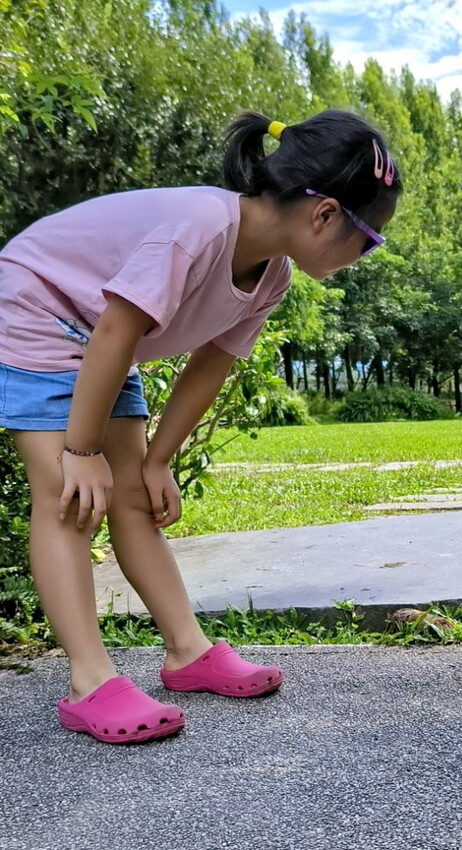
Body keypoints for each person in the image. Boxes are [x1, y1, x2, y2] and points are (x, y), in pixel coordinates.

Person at [0, 109, 402, 744]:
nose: (363, 254)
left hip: (107, 338)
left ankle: (186, 652)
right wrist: (78, 449)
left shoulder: (270, 275)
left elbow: (209, 367)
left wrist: (158, 459)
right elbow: (115, 329)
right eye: (367, 237)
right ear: (324, 214)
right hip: (40, 306)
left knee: (131, 494)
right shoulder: (199, 229)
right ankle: (88, 680)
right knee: (67, 497)